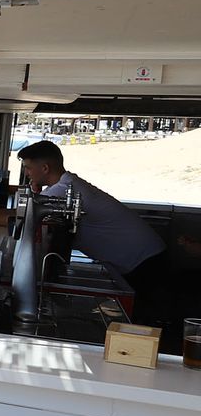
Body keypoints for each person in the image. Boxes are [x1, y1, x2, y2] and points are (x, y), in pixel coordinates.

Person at [13, 140, 175, 343]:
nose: (26, 173)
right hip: (142, 255)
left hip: (145, 260)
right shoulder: (66, 185)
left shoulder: (65, 189)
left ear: (44, 168)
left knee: (147, 330)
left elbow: (22, 215)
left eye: (28, 167)